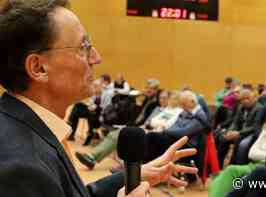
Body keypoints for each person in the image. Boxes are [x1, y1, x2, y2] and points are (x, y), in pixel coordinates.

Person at [0, 0, 197, 196]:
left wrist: (137, 175)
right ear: (38, 68)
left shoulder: (23, 131)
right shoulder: (20, 167)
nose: (96, 58)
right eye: (83, 47)